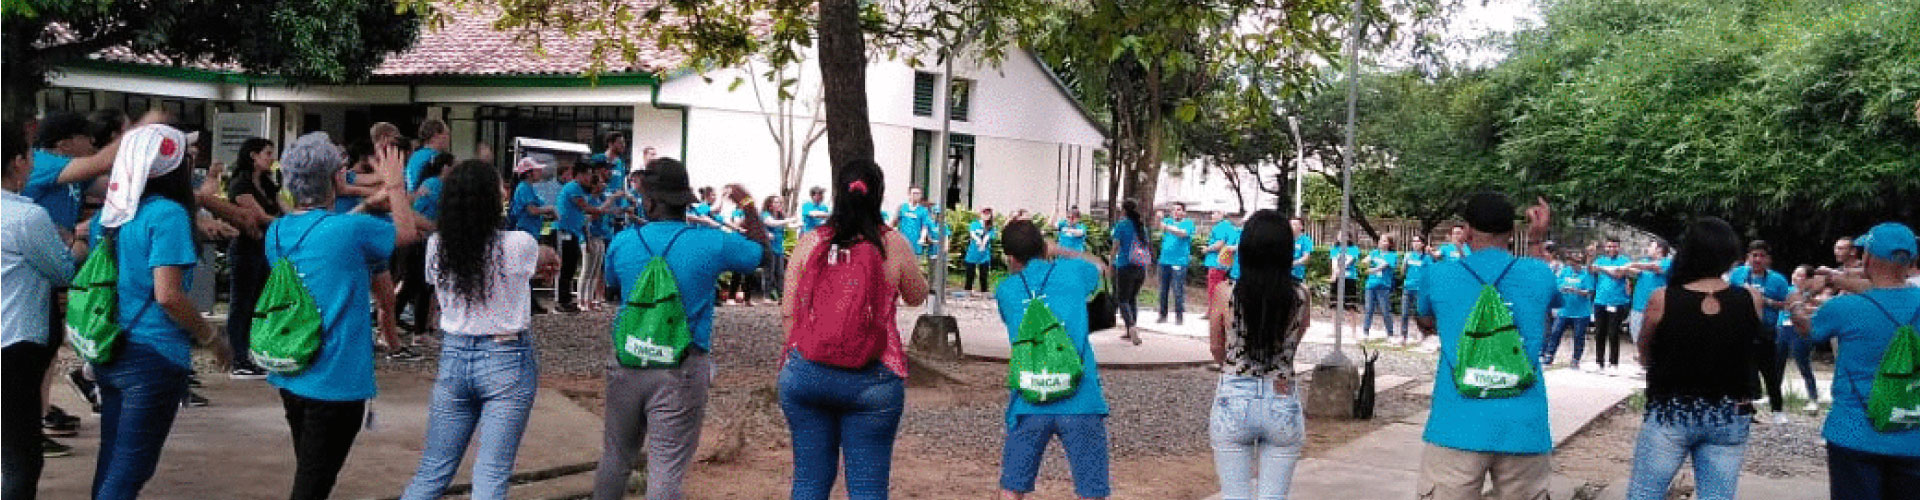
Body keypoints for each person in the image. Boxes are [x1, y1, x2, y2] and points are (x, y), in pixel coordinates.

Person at [594, 158, 764, 500]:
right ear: (685, 200)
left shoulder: (625, 241)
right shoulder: (710, 243)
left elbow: (608, 286)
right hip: (681, 369)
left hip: (627, 364)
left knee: (615, 458)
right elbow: (759, 252)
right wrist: (747, 205)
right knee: (666, 469)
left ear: (650, 201)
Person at [267, 132, 421, 500]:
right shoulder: (349, 230)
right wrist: (396, 185)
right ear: (336, 178)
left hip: (291, 370)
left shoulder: (277, 230)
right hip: (336, 379)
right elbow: (406, 232)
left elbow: (326, 231)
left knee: (311, 473)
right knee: (311, 487)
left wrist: (367, 203)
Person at [85, 124, 232, 499]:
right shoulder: (167, 215)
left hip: (111, 347)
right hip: (153, 355)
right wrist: (212, 338)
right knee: (131, 467)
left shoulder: (113, 213)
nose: (193, 158)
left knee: (113, 460)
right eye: (186, 153)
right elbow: (168, 295)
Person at [401, 160, 558, 500]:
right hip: (506, 359)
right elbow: (541, 255)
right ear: (493, 200)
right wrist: (547, 255)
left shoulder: (437, 246)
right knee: (491, 474)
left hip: (454, 357)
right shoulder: (519, 243)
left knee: (432, 472)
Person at [778, 159, 930, 500]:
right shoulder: (894, 244)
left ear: (837, 194)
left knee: (808, 484)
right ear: (878, 195)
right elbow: (917, 296)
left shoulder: (810, 241)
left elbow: (788, 312)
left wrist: (802, 356)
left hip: (806, 373)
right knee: (867, 488)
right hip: (873, 379)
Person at [1411, 193, 1555, 500]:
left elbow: (1425, 320)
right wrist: (1536, 240)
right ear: (1510, 232)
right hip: (1524, 427)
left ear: (1466, 230)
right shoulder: (1539, 273)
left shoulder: (1438, 274)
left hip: (1456, 423)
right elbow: (1547, 303)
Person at [1627, 217, 1762, 500]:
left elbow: (1644, 352)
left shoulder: (1662, 298)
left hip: (1672, 408)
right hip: (1729, 410)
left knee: (1645, 492)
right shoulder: (1751, 298)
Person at [1792, 222, 1920, 500]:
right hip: (1914, 438)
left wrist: (1795, 301)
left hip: (1854, 433)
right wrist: (1837, 279)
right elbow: (1891, 289)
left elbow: (1806, 328)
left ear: (1868, 259)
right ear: (1912, 262)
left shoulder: (1845, 308)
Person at [994, 220, 1111, 500]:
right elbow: (1100, 266)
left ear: (1010, 257)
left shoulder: (1006, 291)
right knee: (1091, 490)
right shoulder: (1073, 274)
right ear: (1043, 247)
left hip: (1029, 398)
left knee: (1012, 487)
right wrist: (1059, 249)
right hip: (1081, 397)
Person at [1207, 210, 1312, 500]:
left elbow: (1217, 348)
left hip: (1234, 395)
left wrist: (1231, 365)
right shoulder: (1301, 294)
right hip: (1282, 397)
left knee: (1234, 494)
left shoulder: (1226, 292)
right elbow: (1295, 340)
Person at [3, 120, 79, 500]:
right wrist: (78, 243)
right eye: (31, 156)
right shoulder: (26, 217)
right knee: (21, 457)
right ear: (17, 162)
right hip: (14, 347)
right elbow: (62, 270)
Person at [222, 137, 282, 379]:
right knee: (241, 304)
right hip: (245, 250)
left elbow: (283, 208)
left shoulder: (268, 185)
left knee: (258, 304)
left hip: (263, 249)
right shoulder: (240, 185)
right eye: (268, 153)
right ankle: (237, 358)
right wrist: (293, 223)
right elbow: (260, 217)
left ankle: (252, 353)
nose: (272, 158)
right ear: (253, 156)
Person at [1727, 240, 1792, 422]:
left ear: (1768, 259)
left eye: (1762, 256)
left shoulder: (1778, 280)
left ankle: (1777, 409)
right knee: (1743, 371)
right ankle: (1745, 409)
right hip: (1741, 329)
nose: (1757, 259)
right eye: (1754, 255)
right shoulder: (1738, 274)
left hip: (1766, 330)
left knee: (1769, 372)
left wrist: (1765, 300)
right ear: (1748, 257)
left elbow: (1787, 305)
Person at [555, 161, 611, 313]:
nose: (589, 177)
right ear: (579, 174)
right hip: (565, 231)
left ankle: (566, 299)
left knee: (572, 265)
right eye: (587, 174)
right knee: (566, 266)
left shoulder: (580, 189)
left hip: (573, 231)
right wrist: (607, 204)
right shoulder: (573, 188)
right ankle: (562, 301)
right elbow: (588, 209)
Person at [1777, 266, 1822, 414]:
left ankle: (1813, 398)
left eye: (1800, 275)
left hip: (1799, 330)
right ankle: (1775, 395)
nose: (1795, 277)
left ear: (1808, 279)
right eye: (1794, 274)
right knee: (1778, 364)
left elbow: (1818, 308)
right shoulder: (1787, 290)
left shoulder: (1812, 294)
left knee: (1803, 364)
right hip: (1783, 327)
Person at [1542, 250, 1595, 368]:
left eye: (1576, 262)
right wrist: (1563, 288)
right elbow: (1557, 285)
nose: (1573, 264)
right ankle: (1549, 355)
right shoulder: (1565, 271)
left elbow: (1589, 292)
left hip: (1581, 313)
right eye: (1571, 262)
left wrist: (1577, 291)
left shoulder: (1586, 274)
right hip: (1564, 310)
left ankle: (1576, 359)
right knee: (1555, 332)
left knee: (1578, 336)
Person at [1591, 238, 1634, 374]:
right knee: (1599, 332)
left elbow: (1618, 274)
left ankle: (1613, 363)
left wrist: (1602, 269)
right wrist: (1590, 257)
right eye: (1609, 246)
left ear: (1619, 247)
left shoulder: (1624, 261)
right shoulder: (1600, 259)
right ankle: (1599, 362)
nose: (1611, 249)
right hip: (1600, 301)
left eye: (1614, 246)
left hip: (1617, 301)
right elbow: (1591, 269)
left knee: (1613, 332)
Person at [1111, 201, 1149, 345]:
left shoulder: (1122, 225)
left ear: (1124, 210)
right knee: (1132, 298)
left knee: (1122, 299)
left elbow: (1115, 246)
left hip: (1125, 266)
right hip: (1140, 267)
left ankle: (1131, 327)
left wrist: (1110, 263)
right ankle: (1130, 329)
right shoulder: (1141, 226)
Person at [1626, 241, 1673, 353]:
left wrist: (1632, 264)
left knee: (1654, 339)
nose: (1647, 249)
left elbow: (1654, 267)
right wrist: (1624, 268)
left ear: (1659, 250)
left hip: (1655, 309)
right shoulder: (1644, 262)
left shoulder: (1667, 263)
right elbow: (1634, 271)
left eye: (1650, 247)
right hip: (1638, 307)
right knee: (1637, 337)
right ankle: (1643, 363)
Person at [1157, 202, 1197, 325]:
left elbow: (1182, 233)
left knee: (1178, 290)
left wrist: (1166, 226)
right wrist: (1158, 218)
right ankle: (1162, 315)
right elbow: (1159, 226)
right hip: (1164, 260)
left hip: (1179, 261)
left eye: (1179, 209)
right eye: (1173, 209)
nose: (1176, 211)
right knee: (1163, 290)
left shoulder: (1188, 223)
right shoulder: (1168, 221)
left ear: (1184, 212)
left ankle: (1179, 317)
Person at [1361, 236, 1398, 340]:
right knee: (1368, 309)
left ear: (1389, 244)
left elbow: (1384, 266)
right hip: (1371, 285)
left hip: (1383, 286)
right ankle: (1365, 332)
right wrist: (1364, 263)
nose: (1381, 242)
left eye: (1384, 240)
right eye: (1381, 240)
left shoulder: (1392, 255)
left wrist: (1372, 270)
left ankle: (1390, 333)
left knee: (1385, 310)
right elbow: (1365, 260)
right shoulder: (1374, 253)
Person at [1399, 236, 1434, 346]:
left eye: (1418, 241)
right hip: (1408, 287)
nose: (1415, 243)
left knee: (1419, 314)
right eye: (1413, 241)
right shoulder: (1409, 256)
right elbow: (1402, 272)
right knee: (1404, 313)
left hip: (1420, 290)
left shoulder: (1427, 258)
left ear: (1423, 244)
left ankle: (1422, 334)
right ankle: (1403, 335)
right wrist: (1404, 262)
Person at [1204, 212, 1243, 307]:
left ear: (1222, 214)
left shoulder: (1221, 227)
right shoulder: (1230, 227)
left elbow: (1220, 244)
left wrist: (1207, 249)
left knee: (1213, 289)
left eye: (1215, 213)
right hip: (1226, 263)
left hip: (1216, 262)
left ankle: (1212, 313)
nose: (1212, 215)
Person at [761, 195, 794, 301]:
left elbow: (789, 226)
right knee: (769, 272)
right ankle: (766, 296)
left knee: (780, 273)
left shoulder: (781, 216)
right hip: (769, 247)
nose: (778, 204)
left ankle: (782, 296)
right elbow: (771, 223)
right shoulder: (765, 214)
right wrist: (789, 220)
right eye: (776, 202)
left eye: (779, 202)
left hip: (779, 247)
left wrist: (799, 224)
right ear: (770, 205)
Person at [406, 119, 450, 192]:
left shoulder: (414, 156)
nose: (448, 138)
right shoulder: (436, 158)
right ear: (436, 136)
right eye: (446, 134)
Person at [964, 208, 998, 297]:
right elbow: (972, 234)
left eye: (988, 214)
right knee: (970, 272)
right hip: (973, 252)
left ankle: (984, 291)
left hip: (984, 253)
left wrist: (983, 243)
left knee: (984, 273)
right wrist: (978, 240)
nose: (986, 216)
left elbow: (989, 236)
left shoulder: (991, 227)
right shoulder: (975, 224)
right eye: (984, 213)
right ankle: (968, 290)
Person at [891, 187, 933, 257]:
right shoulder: (902, 207)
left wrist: (922, 238)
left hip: (916, 244)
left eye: (918, 194)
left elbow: (924, 226)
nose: (916, 196)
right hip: (903, 242)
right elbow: (894, 222)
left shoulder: (923, 210)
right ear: (909, 194)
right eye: (914, 193)